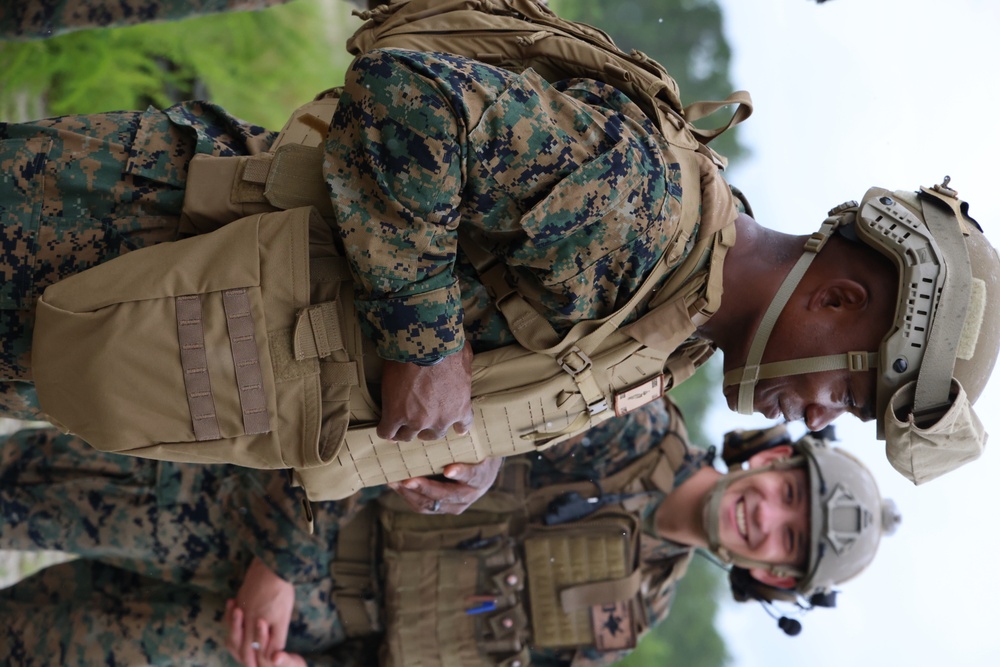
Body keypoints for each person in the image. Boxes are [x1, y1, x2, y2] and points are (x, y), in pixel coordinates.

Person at [2, 0, 997, 507]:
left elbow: (507, 324)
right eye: (852, 396)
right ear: (837, 299)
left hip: (152, 324)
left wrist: (467, 445)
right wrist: (423, 342)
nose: (821, 417)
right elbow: (410, 101)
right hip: (109, 239)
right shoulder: (646, 215)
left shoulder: (673, 323)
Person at [0, 396, 898, 666]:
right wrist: (281, 556)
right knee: (18, 492)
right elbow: (403, 418)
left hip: (263, 642)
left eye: (787, 538)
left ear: (776, 578)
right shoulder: (624, 421)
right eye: (788, 490)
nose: (767, 515)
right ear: (772, 459)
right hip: (244, 502)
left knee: (31, 645)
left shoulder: (628, 618)